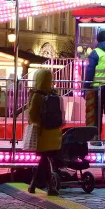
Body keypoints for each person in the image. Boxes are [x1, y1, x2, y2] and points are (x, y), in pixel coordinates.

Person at [25, 67, 65, 197]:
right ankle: (47, 186)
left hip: (43, 132)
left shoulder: (37, 95)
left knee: (44, 159)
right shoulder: (54, 94)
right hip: (54, 133)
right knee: (45, 159)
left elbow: (32, 114)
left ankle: (37, 184)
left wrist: (37, 121)